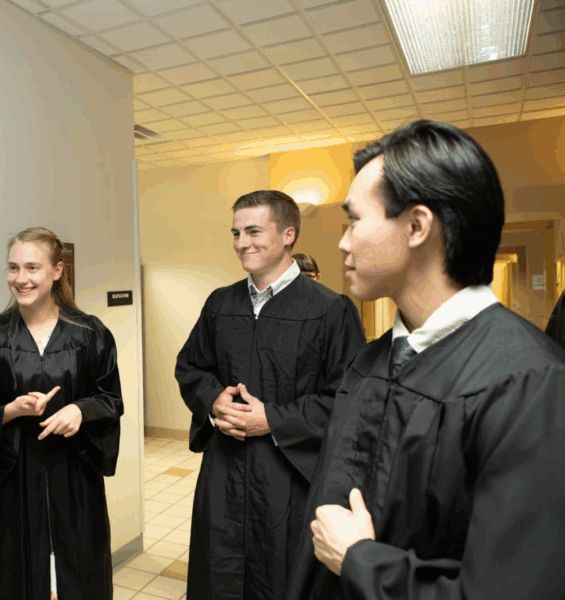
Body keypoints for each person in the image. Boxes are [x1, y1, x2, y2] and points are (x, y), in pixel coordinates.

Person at [288, 120, 565, 600]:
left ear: (417, 226)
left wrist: (360, 561)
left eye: (355, 220)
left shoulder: (529, 383)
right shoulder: (370, 364)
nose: (343, 243)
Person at [175, 190, 366, 600]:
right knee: (219, 576)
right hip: (224, 472)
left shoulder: (331, 310)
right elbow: (191, 366)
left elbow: (348, 400)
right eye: (236, 233)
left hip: (288, 478)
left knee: (280, 580)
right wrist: (213, 401)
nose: (243, 243)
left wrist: (273, 420)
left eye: (254, 231)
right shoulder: (220, 303)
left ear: (288, 235)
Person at [0, 227, 123, 600]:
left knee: (78, 573)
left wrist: (81, 410)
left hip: (73, 477)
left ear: (57, 271)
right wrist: (11, 411)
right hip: (12, 481)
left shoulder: (90, 334)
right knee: (10, 577)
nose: (21, 279)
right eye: (13, 268)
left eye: (32, 267)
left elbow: (110, 399)